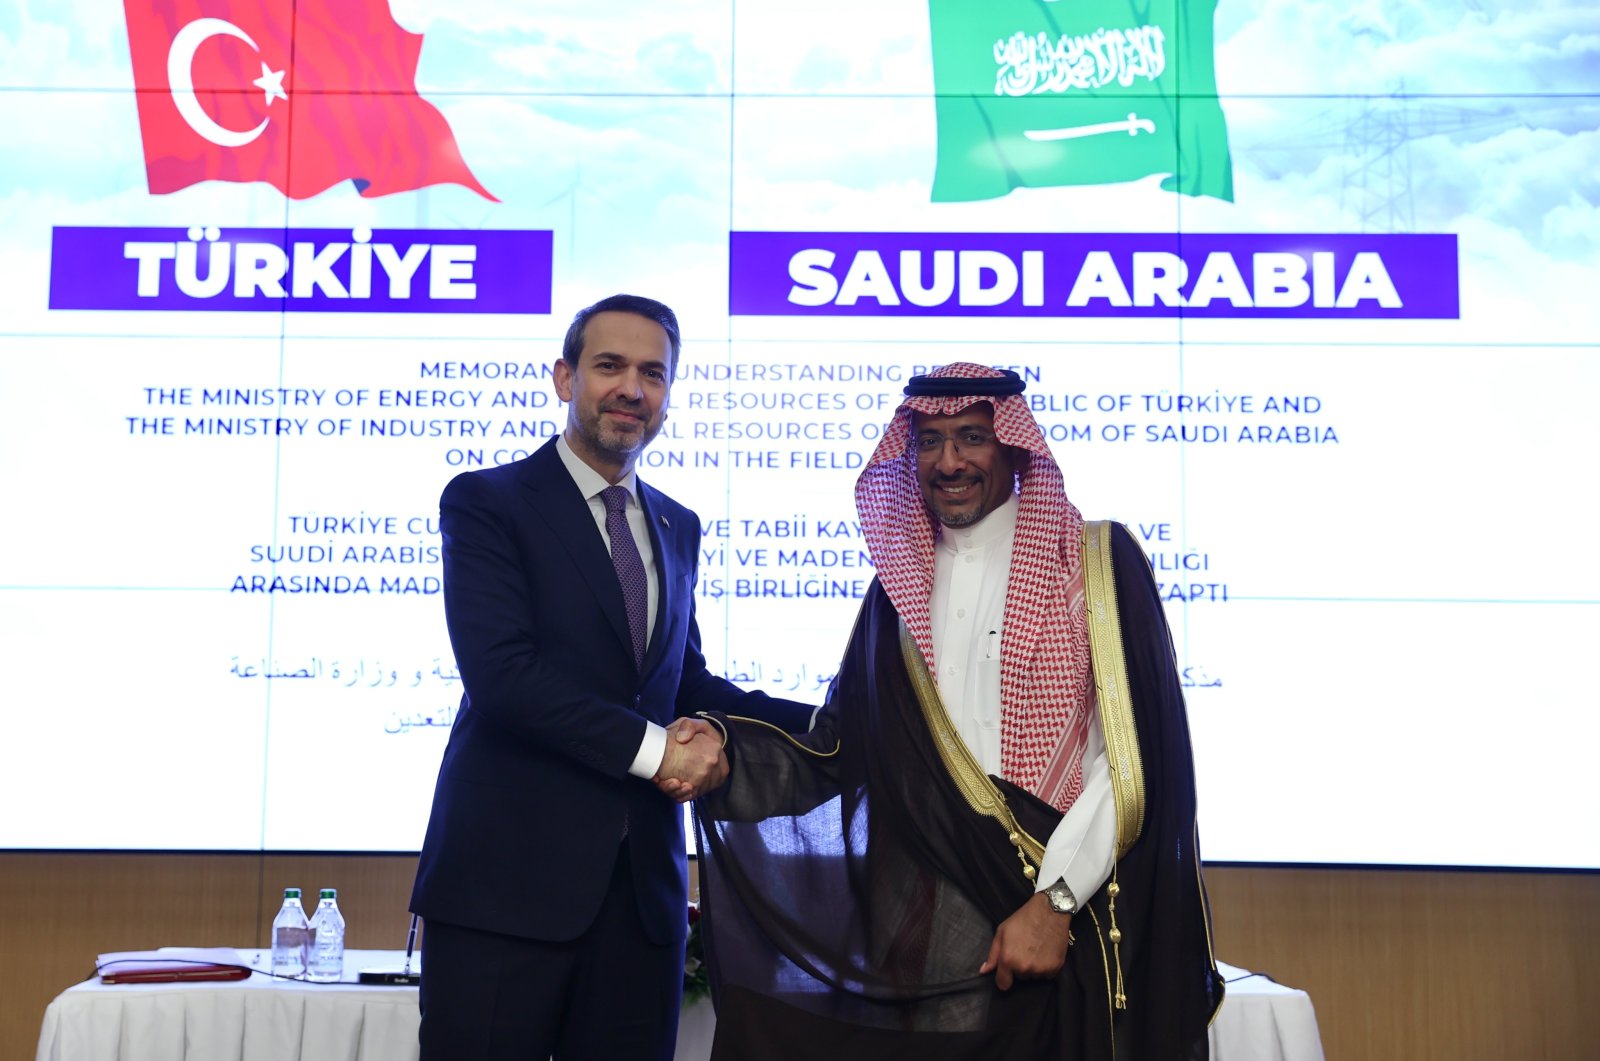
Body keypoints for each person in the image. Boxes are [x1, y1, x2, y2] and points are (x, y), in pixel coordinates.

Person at [695, 363, 1223, 1059]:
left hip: (1063, 909)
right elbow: (842, 748)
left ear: (1011, 445)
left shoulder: (1096, 562)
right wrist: (722, 753)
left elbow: (1126, 758)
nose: (949, 461)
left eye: (971, 436)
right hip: (923, 918)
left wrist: (1055, 901)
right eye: (931, 441)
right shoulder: (895, 595)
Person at [409, 293, 814, 1060]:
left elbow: (683, 685)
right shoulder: (488, 502)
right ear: (564, 378)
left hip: (641, 910)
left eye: (653, 373)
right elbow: (504, 677)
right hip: (504, 896)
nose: (632, 387)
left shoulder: (677, 524)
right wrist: (665, 753)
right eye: (610, 366)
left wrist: (841, 721)